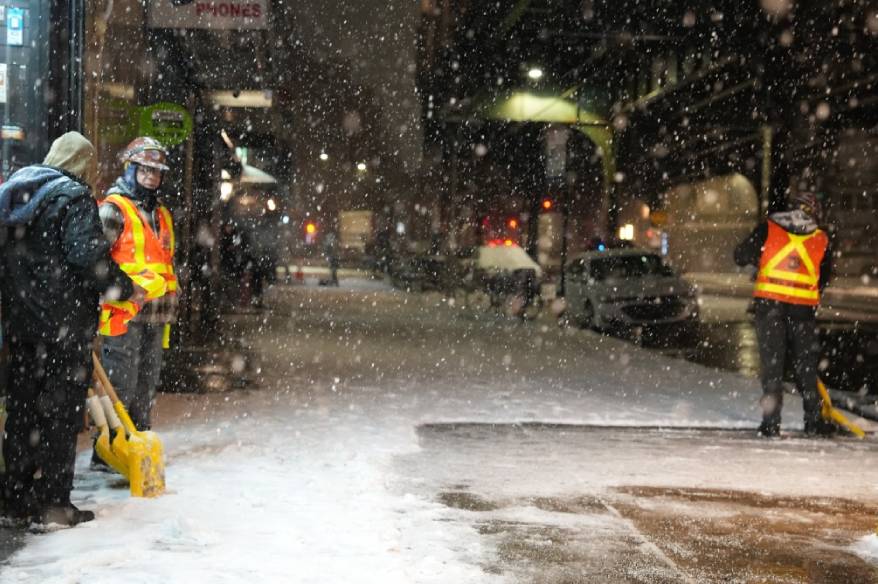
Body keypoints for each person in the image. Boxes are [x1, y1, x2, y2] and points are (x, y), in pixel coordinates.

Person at [0, 131, 134, 525]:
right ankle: (54, 506)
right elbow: (87, 257)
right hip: (62, 329)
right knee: (59, 416)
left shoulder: (17, 190)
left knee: (23, 411)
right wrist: (126, 288)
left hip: (22, 327)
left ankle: (13, 500)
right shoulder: (72, 197)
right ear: (83, 166)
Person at [734, 191, 834, 437]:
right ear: (815, 212)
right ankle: (813, 421)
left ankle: (771, 424)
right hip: (802, 310)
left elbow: (740, 256)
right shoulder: (821, 239)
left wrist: (762, 260)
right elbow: (823, 278)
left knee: (772, 367)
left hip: (770, 307)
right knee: (806, 367)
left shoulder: (769, 228)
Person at [97, 137, 177, 435]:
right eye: (144, 170)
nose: (151, 177)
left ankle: (139, 443)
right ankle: (111, 449)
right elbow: (97, 262)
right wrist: (122, 291)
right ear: (130, 170)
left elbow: (164, 263)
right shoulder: (114, 208)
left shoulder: (161, 214)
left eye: (156, 172)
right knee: (120, 383)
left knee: (145, 385)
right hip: (123, 313)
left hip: (155, 314)